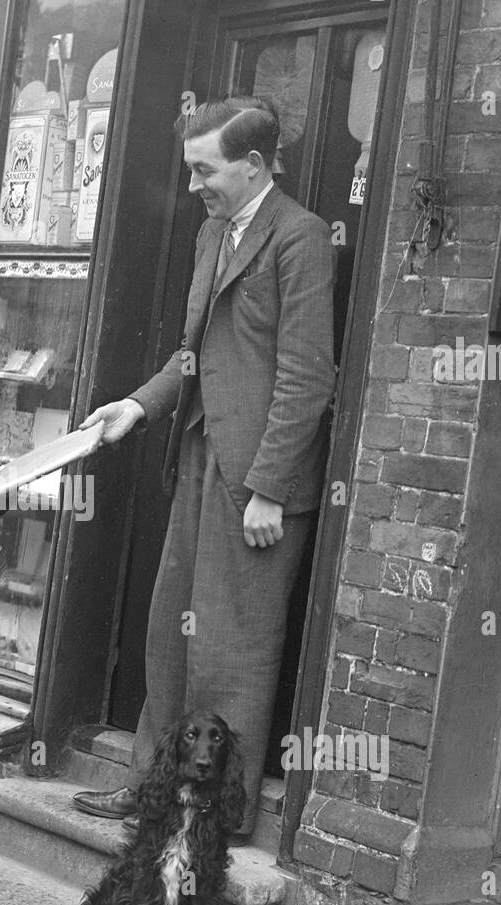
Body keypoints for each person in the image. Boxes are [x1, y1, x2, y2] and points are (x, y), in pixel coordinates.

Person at [74, 97, 337, 841]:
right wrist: (138, 406)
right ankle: (152, 791)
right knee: (170, 634)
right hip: (197, 456)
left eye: (204, 169)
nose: (193, 185)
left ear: (253, 165)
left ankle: (214, 822)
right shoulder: (212, 233)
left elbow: (307, 377)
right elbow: (194, 353)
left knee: (234, 652)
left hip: (257, 481)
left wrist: (269, 490)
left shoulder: (302, 238)